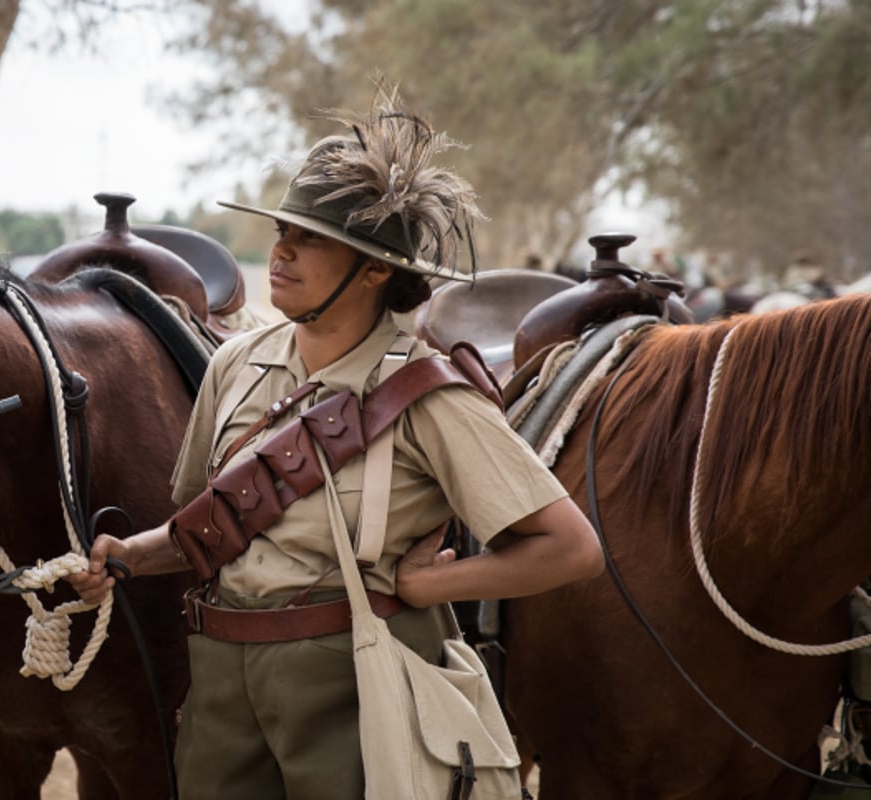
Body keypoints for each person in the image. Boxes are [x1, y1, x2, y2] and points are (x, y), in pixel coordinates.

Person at [70, 82, 604, 799]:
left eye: (311, 240)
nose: (281, 251)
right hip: (222, 681)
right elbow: (216, 526)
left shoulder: (430, 395)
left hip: (359, 681)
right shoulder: (234, 363)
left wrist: (434, 584)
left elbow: (570, 547)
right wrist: (132, 556)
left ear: (377, 270)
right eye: (284, 232)